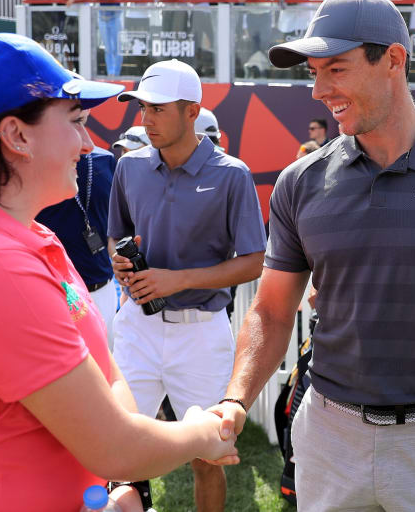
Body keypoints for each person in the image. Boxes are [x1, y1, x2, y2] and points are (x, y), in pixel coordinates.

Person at [0, 33, 238, 512]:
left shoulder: (24, 238)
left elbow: (105, 388)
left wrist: (107, 479)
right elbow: (113, 442)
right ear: (16, 136)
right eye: (76, 122)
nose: (88, 144)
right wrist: (199, 434)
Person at [217, 0, 415, 511]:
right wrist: (235, 400)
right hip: (327, 435)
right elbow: (272, 311)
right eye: (314, 72)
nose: (319, 90)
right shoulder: (300, 181)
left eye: (336, 69)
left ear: (393, 59)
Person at [109, 59, 266, 512]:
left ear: (192, 111)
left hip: (202, 332)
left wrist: (176, 281)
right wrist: (120, 263)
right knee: (117, 447)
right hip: (136, 326)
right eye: (142, 108)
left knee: (208, 456)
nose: (146, 119)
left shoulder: (232, 173)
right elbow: (115, 239)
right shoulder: (130, 168)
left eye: (158, 109)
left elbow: (254, 262)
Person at [36, 109, 120, 350]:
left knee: (107, 374)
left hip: (102, 290)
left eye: (81, 118)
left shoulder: (105, 161)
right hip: (53, 293)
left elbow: (119, 222)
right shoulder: (33, 166)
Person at [93, 0, 124, 77]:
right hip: (102, 16)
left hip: (115, 16)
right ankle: (111, 73)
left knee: (117, 47)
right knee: (108, 48)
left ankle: (116, 74)